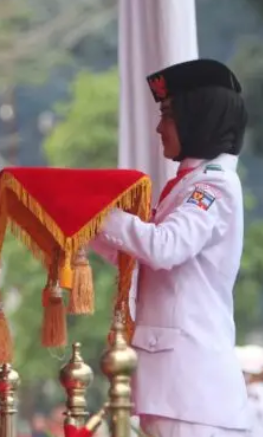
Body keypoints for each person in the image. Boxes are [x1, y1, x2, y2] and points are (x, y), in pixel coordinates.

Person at [90, 59, 249, 437]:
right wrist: (83, 226)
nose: (159, 128)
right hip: (178, 392)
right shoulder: (190, 183)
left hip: (191, 395)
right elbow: (142, 257)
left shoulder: (212, 186)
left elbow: (165, 248)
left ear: (199, 118)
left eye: (169, 116)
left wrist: (100, 213)